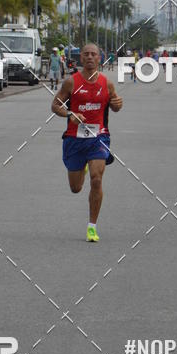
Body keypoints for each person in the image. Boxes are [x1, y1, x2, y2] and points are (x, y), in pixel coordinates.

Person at [51, 43, 123, 242]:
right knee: (75, 188)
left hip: (98, 138)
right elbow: (55, 105)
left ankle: (92, 227)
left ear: (100, 58)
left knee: (97, 179)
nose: (90, 57)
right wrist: (70, 113)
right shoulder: (71, 82)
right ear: (81, 58)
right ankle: (81, 169)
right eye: (87, 54)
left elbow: (115, 105)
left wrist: (118, 104)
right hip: (74, 139)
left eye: (94, 54)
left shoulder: (107, 84)